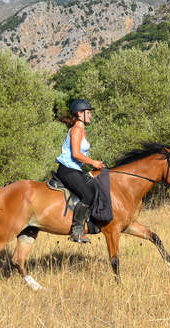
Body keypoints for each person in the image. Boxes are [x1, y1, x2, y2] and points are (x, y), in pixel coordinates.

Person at [56, 99, 105, 243]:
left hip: (75, 169)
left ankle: (91, 222)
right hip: (67, 170)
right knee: (88, 194)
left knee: (96, 187)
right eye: (88, 113)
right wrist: (93, 162)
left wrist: (94, 165)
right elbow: (76, 154)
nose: (90, 116)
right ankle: (77, 231)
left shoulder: (82, 130)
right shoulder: (76, 130)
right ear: (80, 114)